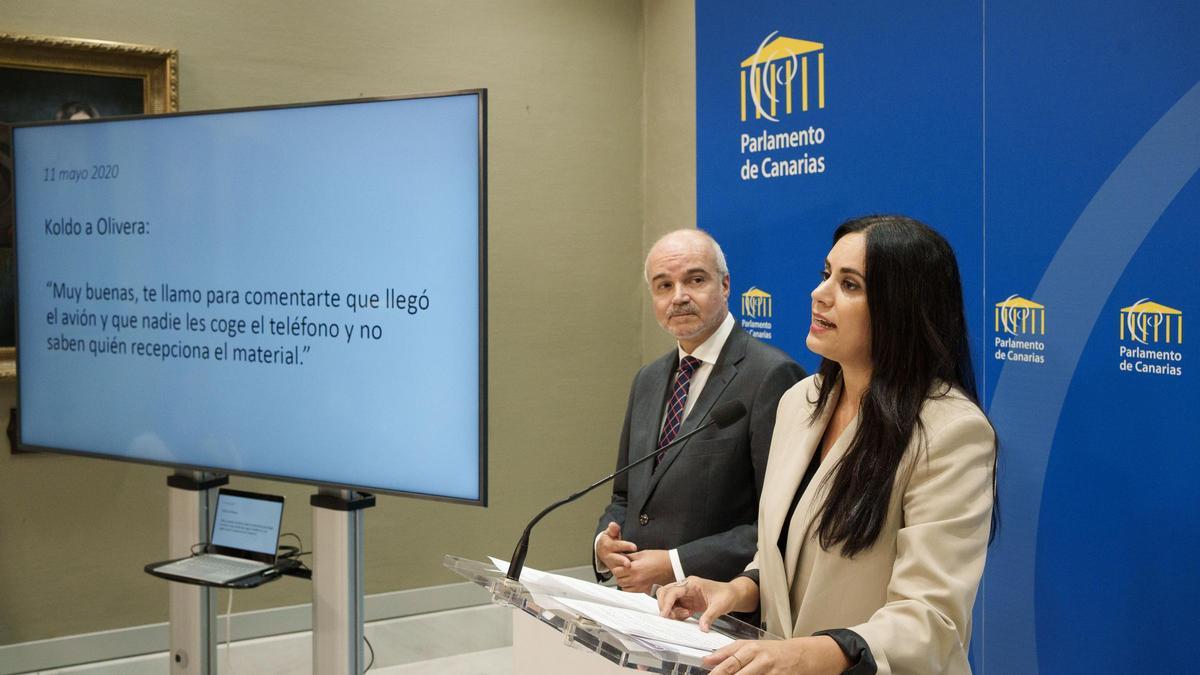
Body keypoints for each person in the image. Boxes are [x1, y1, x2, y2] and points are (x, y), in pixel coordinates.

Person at [657, 215, 998, 674]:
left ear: (902, 308)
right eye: (826, 275)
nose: (820, 294)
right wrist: (737, 590)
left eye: (851, 285)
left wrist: (807, 653)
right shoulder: (800, 401)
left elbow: (931, 618)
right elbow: (784, 548)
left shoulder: (951, 431)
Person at [594, 229, 806, 593]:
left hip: (718, 610)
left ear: (725, 286)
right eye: (664, 286)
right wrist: (604, 544)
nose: (679, 297)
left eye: (694, 280)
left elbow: (782, 521)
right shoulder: (648, 378)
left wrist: (674, 564)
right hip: (638, 604)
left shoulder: (771, 376)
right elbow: (625, 496)